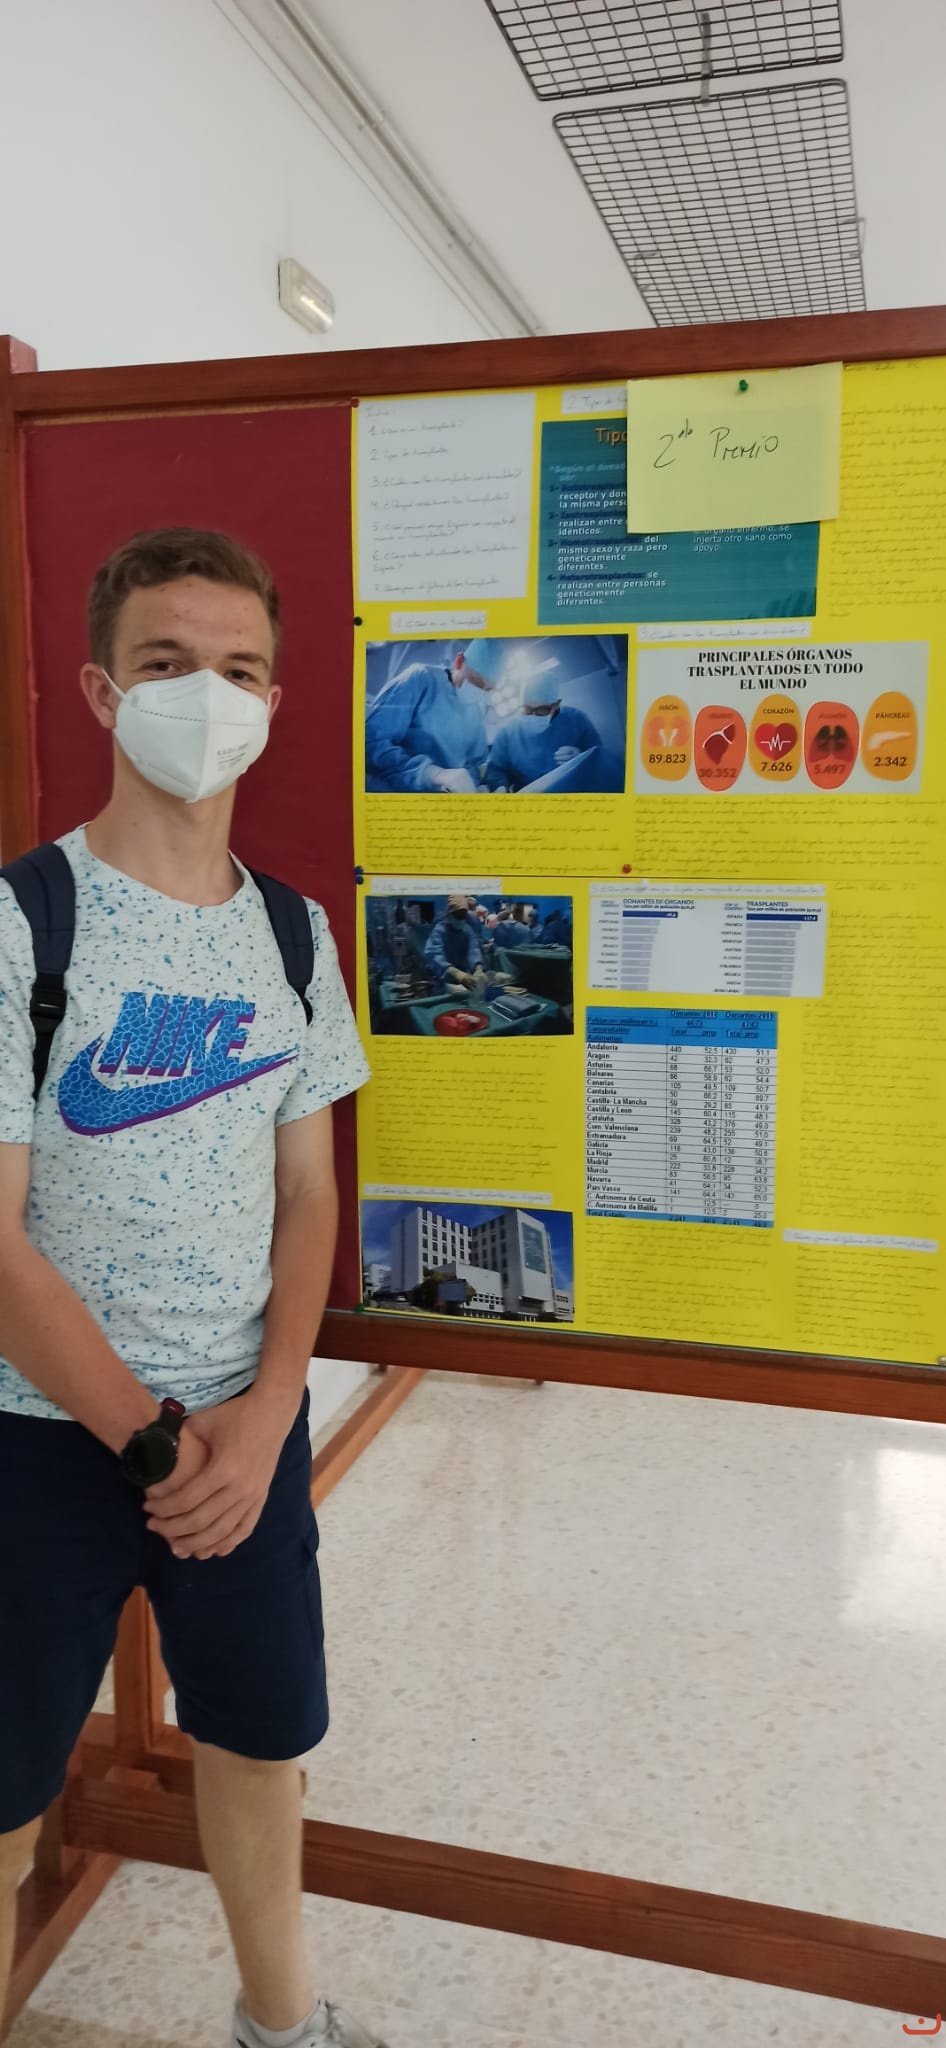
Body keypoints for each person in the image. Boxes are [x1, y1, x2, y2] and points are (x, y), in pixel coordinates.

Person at [0, 530, 383, 2048]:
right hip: (42, 1437)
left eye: (237, 669)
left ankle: (281, 2022)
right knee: (6, 1799)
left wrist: (269, 1410)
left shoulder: (292, 934)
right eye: (166, 663)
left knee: (261, 1745)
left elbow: (309, 1194)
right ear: (104, 690)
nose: (204, 695)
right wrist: (152, 1442)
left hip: (243, 1436)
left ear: (274, 703)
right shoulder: (24, 921)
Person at [365, 637, 503, 793]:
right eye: (476, 682)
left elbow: (474, 764)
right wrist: (432, 774)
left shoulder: (477, 711)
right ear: (459, 662)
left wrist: (475, 787)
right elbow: (371, 742)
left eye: (488, 689)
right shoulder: (421, 679)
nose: (480, 693)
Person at [485, 671, 601, 791]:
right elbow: (496, 771)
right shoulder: (507, 732)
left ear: (556, 704)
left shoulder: (576, 720)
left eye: (541, 710)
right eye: (526, 709)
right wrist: (500, 787)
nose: (533, 715)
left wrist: (582, 757)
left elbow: (599, 758)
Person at [424, 894, 483, 988]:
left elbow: (474, 949)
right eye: (457, 915)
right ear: (449, 914)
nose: (460, 919)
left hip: (465, 979)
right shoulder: (440, 931)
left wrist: (478, 968)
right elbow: (434, 955)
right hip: (441, 980)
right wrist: (455, 972)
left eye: (463, 915)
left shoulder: (467, 930)